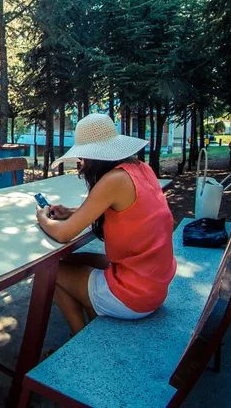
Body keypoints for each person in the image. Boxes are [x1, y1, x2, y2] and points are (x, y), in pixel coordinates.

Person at [35, 113, 176, 336]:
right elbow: (122, 210)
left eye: (82, 158)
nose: (81, 164)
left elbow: (63, 234)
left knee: (48, 270)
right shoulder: (141, 168)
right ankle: (91, 315)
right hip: (155, 282)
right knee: (69, 260)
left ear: (93, 157)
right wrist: (70, 212)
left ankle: (80, 339)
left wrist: (42, 217)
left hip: (135, 296)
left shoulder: (113, 180)